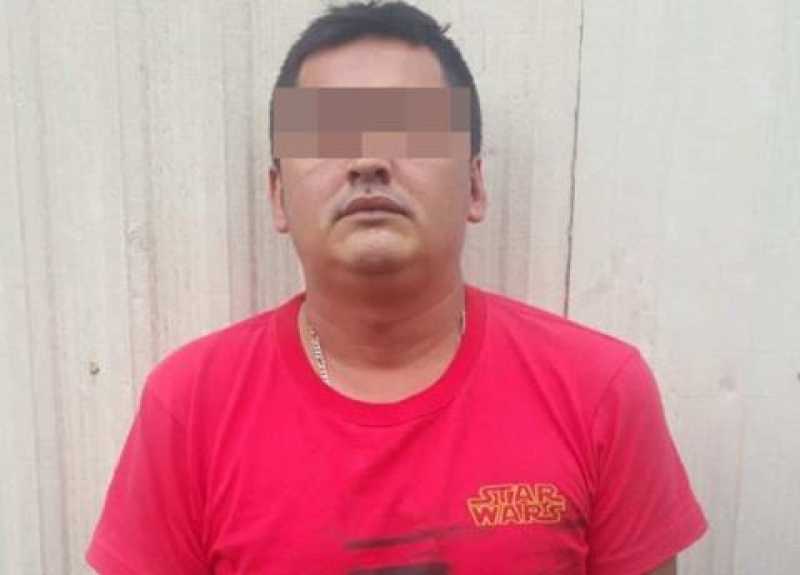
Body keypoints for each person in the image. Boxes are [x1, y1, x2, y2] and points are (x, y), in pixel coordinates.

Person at [86, 2, 707, 573]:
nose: (368, 162)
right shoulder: (191, 409)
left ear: (474, 185)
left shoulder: (599, 393)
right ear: (278, 197)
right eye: (329, 137)